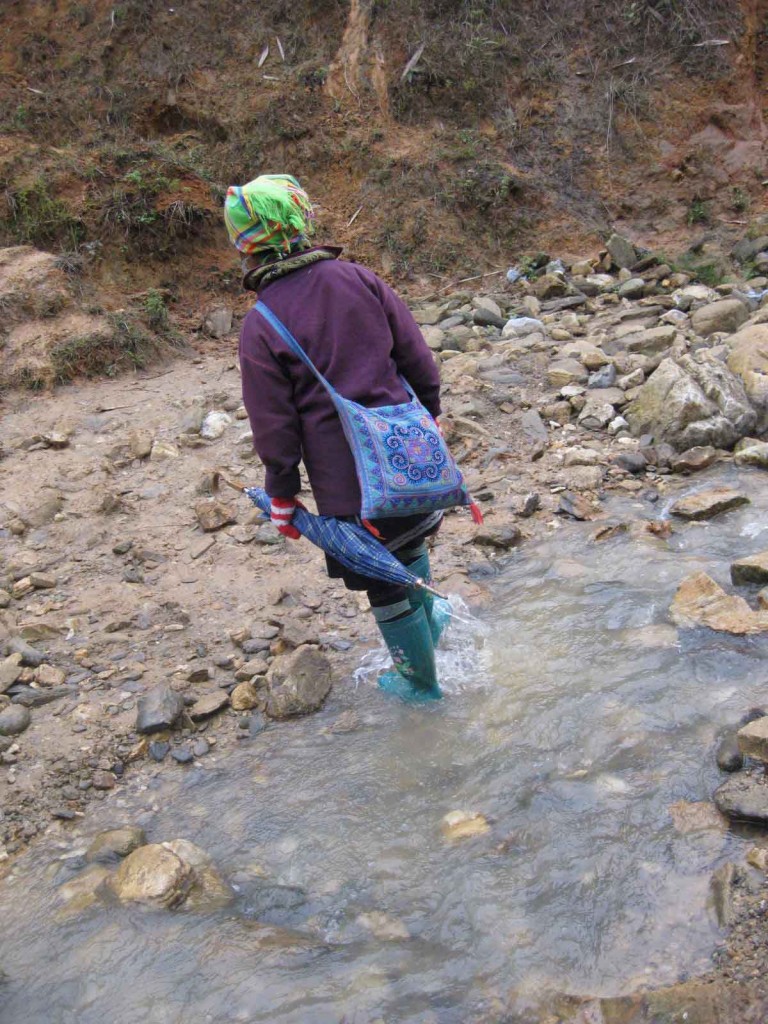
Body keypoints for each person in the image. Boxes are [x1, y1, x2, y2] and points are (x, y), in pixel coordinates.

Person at [225, 173, 451, 701]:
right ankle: (431, 626)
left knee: (381, 580)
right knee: (409, 541)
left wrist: (281, 493)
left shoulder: (262, 323)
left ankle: (421, 688)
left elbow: (274, 425)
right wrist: (431, 418)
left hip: (348, 484)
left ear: (246, 245)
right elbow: (418, 359)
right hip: (408, 454)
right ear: (300, 222)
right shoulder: (361, 279)